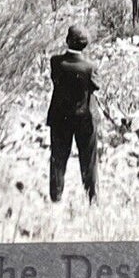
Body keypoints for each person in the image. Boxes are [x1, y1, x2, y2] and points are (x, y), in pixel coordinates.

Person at [47, 24, 100, 203]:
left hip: (60, 118)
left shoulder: (56, 62)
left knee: (58, 159)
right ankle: (92, 198)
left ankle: (56, 198)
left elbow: (55, 79)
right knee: (89, 160)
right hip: (85, 118)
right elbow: (95, 86)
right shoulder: (90, 66)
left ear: (67, 40)